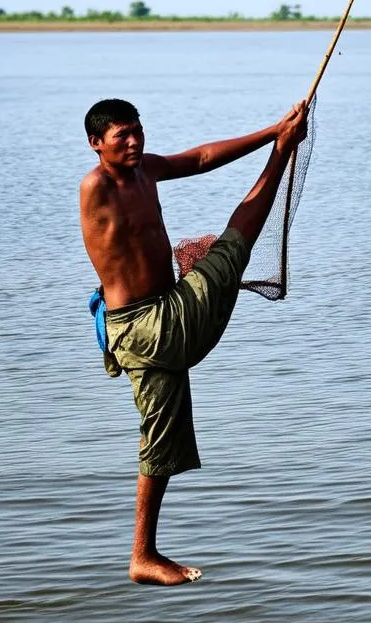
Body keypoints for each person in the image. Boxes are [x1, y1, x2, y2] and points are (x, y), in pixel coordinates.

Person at [80, 97, 308, 585]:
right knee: (229, 251)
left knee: (163, 436)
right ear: (96, 145)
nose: (136, 141)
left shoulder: (144, 171)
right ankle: (142, 556)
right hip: (147, 327)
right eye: (123, 136)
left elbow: (202, 158)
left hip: (160, 320)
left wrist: (273, 130)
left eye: (139, 131)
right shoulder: (96, 185)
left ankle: (145, 555)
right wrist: (281, 150)